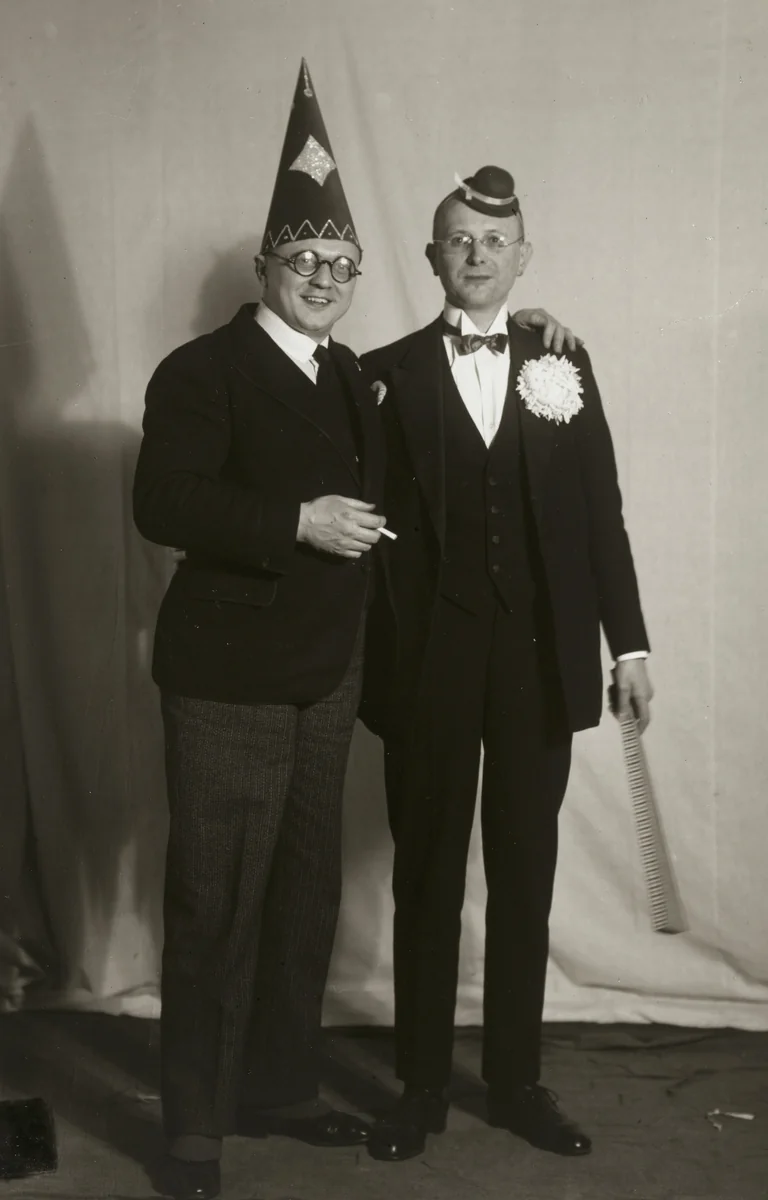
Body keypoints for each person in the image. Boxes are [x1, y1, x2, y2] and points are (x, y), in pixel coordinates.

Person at [359, 166, 653, 1163]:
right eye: (457, 240)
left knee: (525, 875)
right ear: (432, 255)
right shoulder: (385, 372)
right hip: (429, 664)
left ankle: (519, 1083)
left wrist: (634, 644)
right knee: (428, 878)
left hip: (537, 660)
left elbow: (602, 515)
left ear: (522, 258)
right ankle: (422, 1088)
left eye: (494, 242)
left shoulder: (561, 363)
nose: (476, 256)